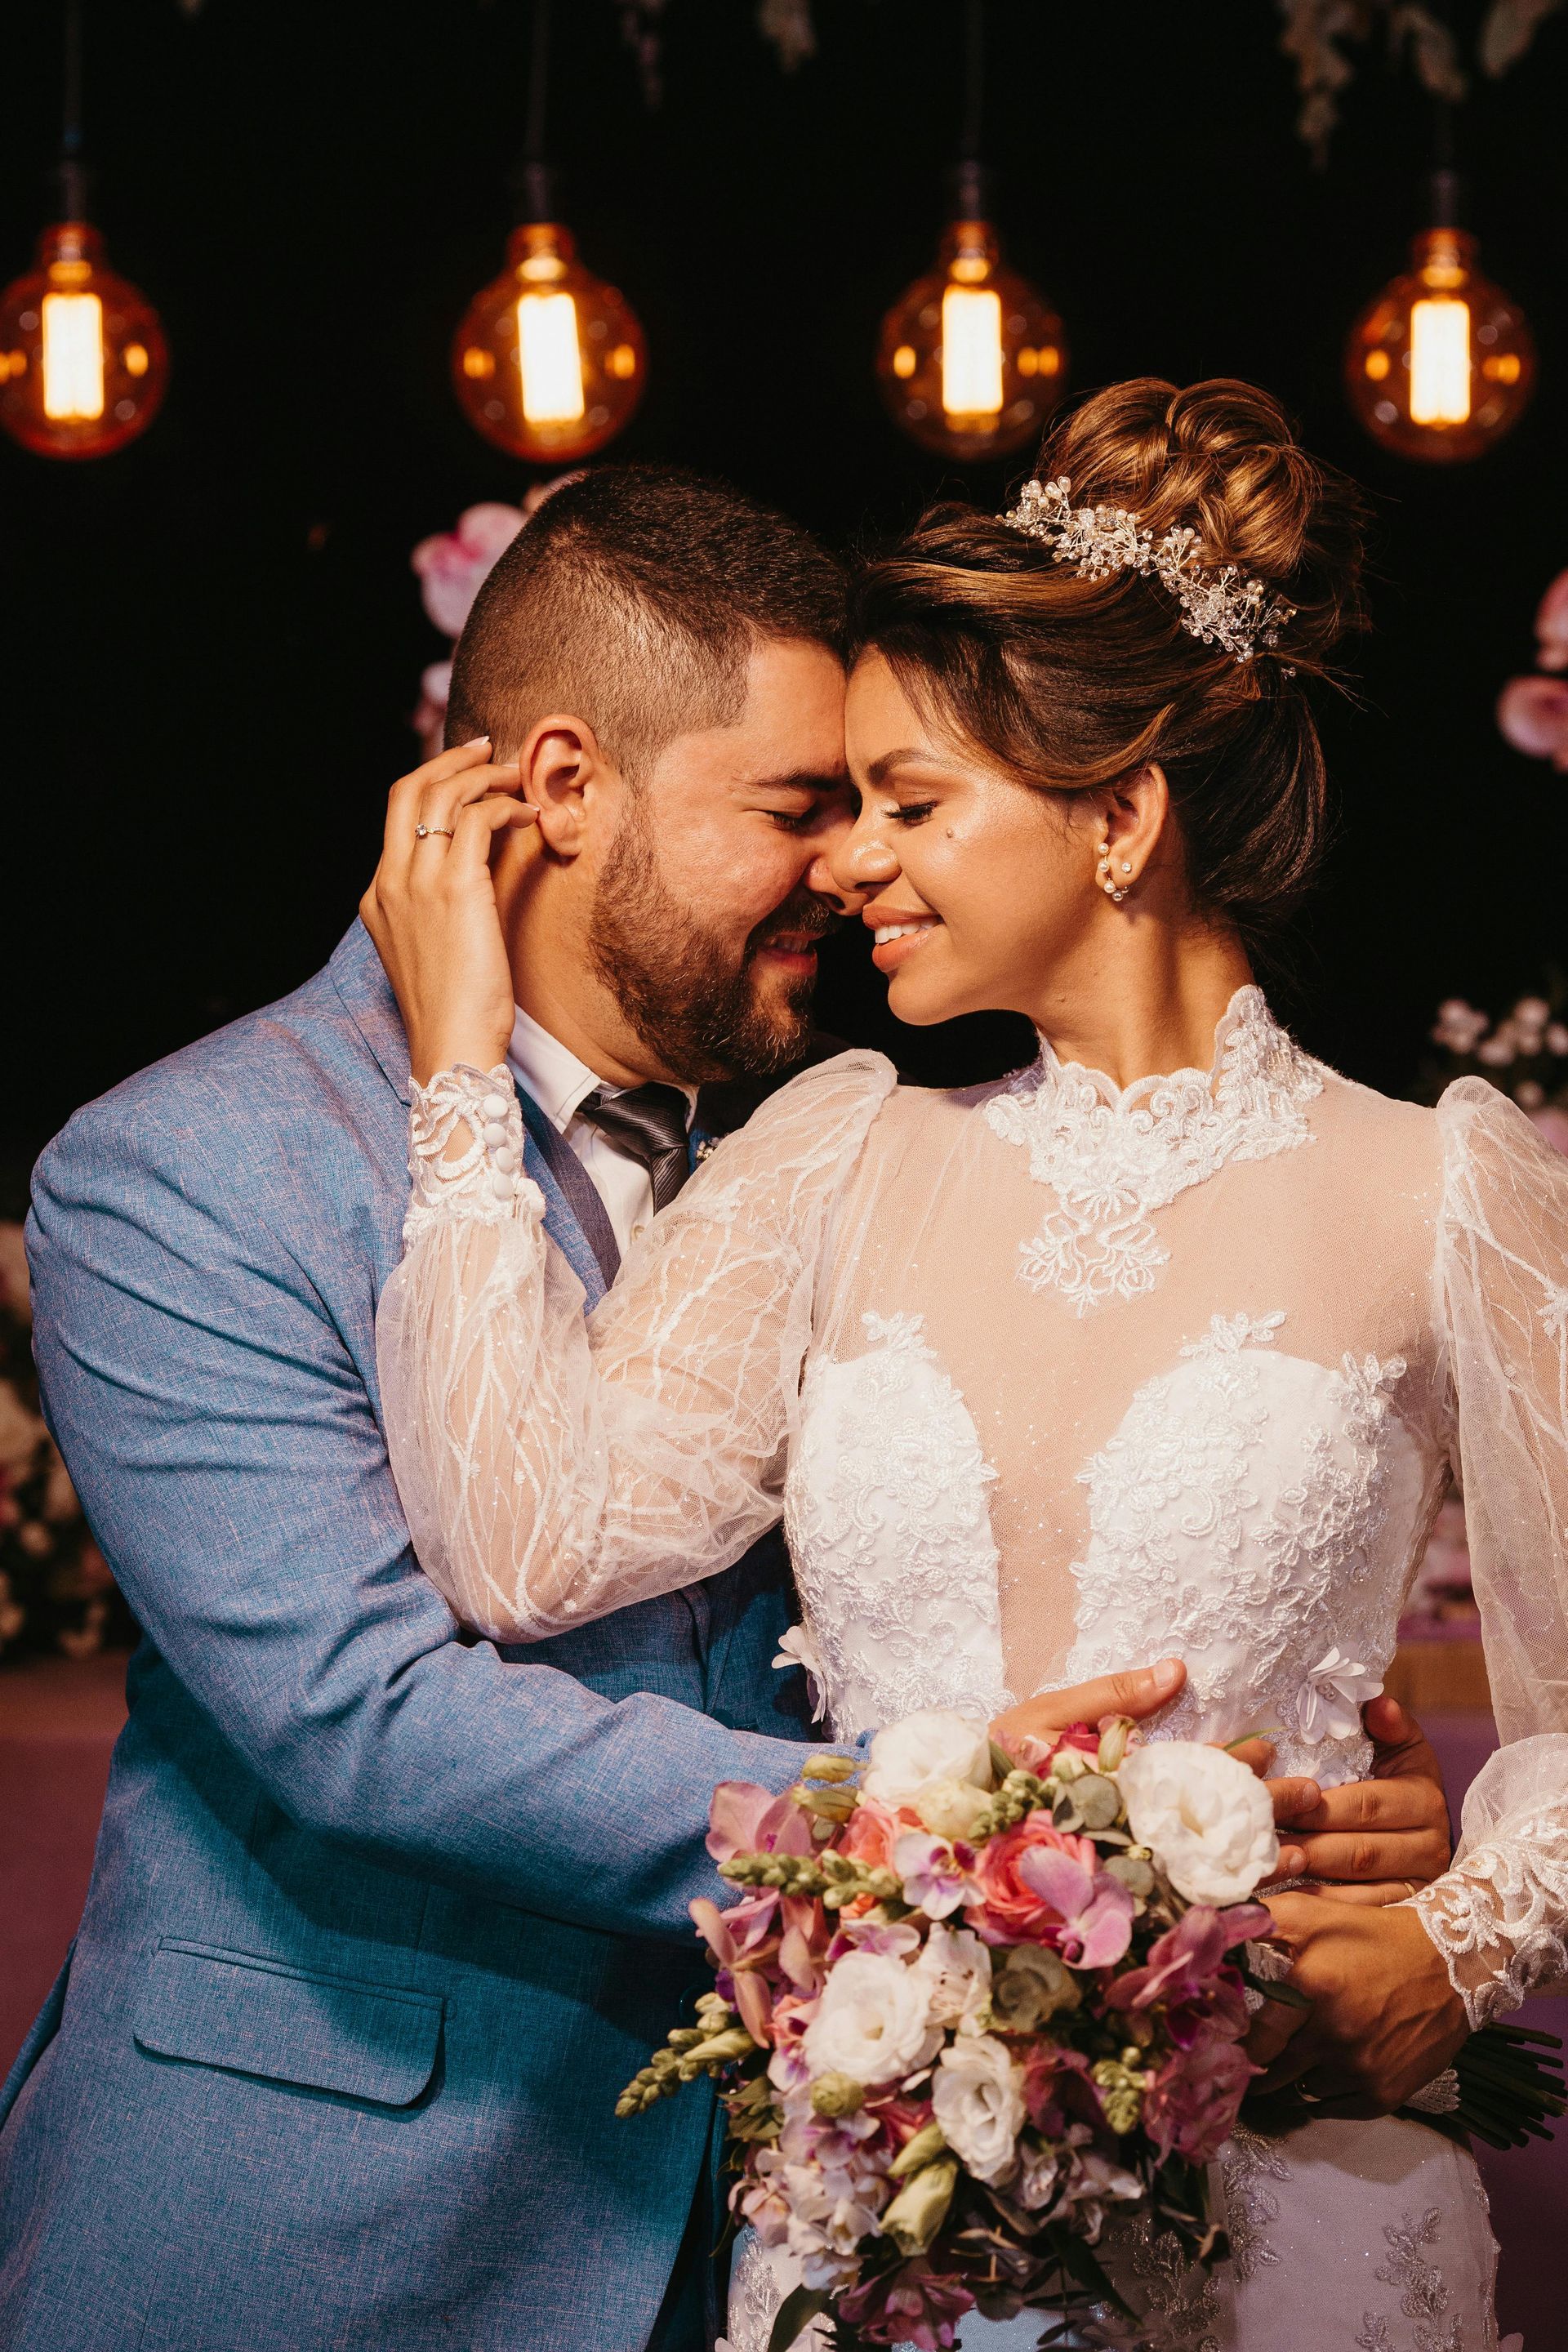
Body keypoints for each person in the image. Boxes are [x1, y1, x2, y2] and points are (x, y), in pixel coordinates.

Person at [0, 466, 1436, 2352]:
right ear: (567, 790)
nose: (848, 866)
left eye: (885, 802)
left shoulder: (823, 1154)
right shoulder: (187, 1170)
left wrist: (1291, 1798)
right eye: (799, 805)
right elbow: (364, 1715)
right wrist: (991, 1841)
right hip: (334, 2232)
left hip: (809, 2212)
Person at [364, 387, 1568, 2350]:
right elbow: (524, 1541)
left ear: (1120, 817)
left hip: (1306, 2209)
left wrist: (1463, 1934)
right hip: (879, 2220)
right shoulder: (843, 1153)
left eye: (912, 803)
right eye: (842, 806)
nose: (849, 862)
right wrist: (456, 1073)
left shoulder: (1440, 1181)